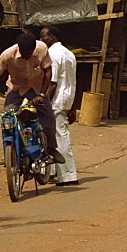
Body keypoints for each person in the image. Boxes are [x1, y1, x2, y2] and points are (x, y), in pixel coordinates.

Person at [0, 32, 65, 164]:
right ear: (19, 47)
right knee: (8, 118)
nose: (27, 56)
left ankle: (51, 149)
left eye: (30, 53)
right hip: (16, 89)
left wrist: (42, 94)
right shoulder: (7, 55)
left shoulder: (41, 48)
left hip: (37, 88)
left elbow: (48, 71)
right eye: (24, 53)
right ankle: (10, 152)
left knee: (48, 119)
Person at [40, 26, 78, 186]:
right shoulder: (69, 54)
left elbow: (52, 82)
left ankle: (68, 175)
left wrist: (43, 101)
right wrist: (73, 106)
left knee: (60, 136)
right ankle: (54, 170)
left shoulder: (53, 55)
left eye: (43, 37)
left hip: (56, 100)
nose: (41, 40)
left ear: (52, 38)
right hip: (67, 98)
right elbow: (73, 80)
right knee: (54, 135)